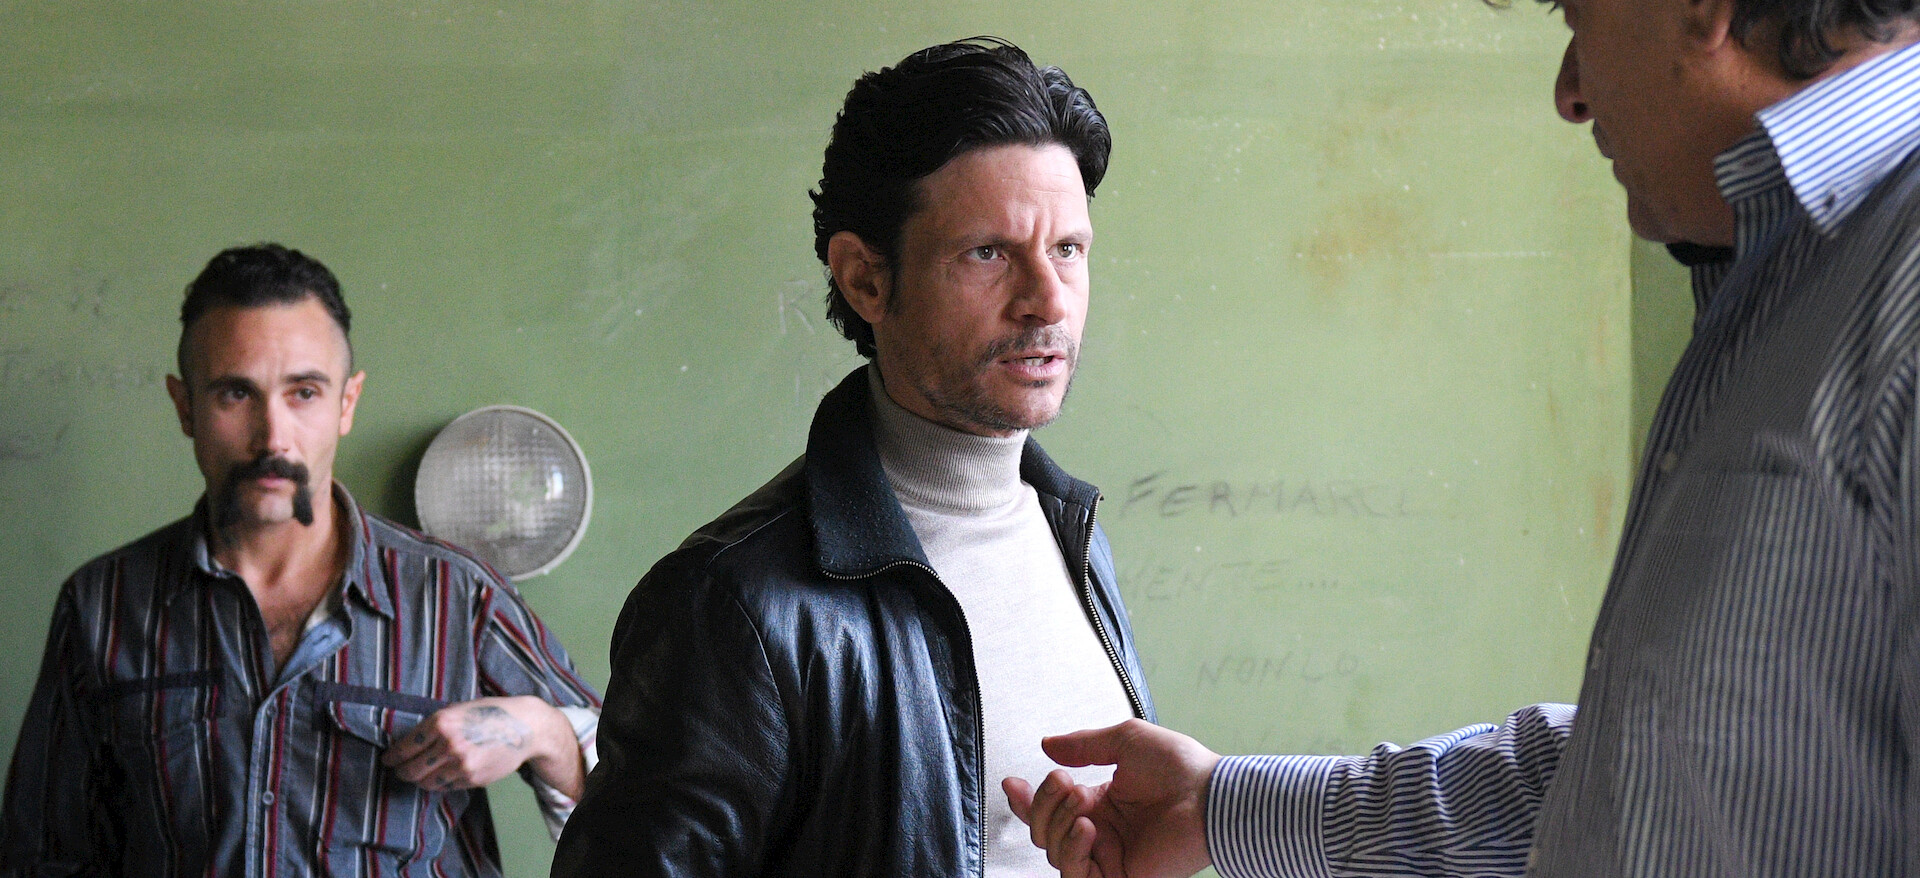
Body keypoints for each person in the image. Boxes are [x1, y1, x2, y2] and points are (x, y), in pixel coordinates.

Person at [1007, 0, 1920, 875]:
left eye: (1577, 15)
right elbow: (1644, 779)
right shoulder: (1771, 277)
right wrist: (1218, 808)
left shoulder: (1895, 294)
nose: (1569, 92)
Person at [551, 37, 1155, 877]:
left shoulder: (1073, 535)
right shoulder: (732, 605)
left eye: (1068, 250)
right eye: (988, 253)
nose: (1047, 301)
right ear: (865, 279)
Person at [0, 243, 602, 877]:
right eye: (236, 394)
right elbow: (42, 854)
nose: (273, 437)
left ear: (347, 403)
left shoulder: (455, 594)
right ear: (185, 407)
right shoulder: (104, 604)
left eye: (305, 393)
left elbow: (635, 798)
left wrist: (541, 731)